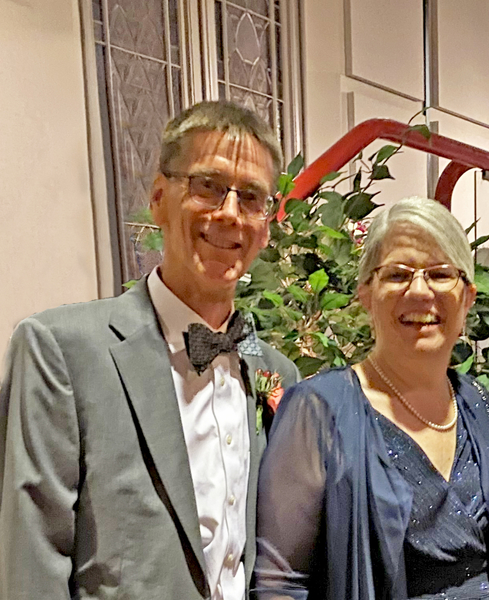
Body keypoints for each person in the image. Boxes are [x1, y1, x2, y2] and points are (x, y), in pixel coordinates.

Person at [0, 100, 300, 600]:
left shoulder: (275, 372)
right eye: (208, 186)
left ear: (265, 228)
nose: (229, 213)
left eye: (250, 197)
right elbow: (32, 558)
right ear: (159, 198)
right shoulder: (61, 351)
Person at [254, 197, 489, 600]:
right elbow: (280, 584)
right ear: (365, 294)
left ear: (467, 296)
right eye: (397, 274)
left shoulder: (475, 403)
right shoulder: (317, 410)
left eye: (440, 274)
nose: (419, 291)